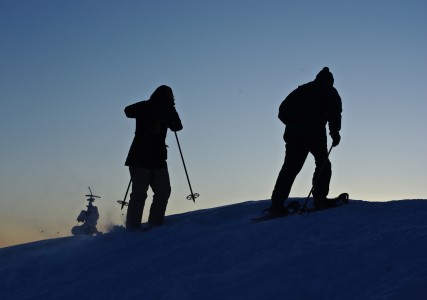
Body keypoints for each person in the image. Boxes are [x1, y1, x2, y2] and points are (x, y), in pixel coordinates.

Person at [270, 67, 342, 216]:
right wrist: (335, 133)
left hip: (294, 135)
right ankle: (320, 199)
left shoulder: (301, 90)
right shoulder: (329, 91)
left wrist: (294, 124)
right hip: (314, 134)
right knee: (323, 164)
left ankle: (277, 204)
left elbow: (282, 111)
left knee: (290, 168)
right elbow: (334, 113)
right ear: (330, 81)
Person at [124, 85, 183, 230]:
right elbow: (128, 111)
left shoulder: (162, 110)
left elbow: (177, 126)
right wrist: (155, 107)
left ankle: (144, 226)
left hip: (150, 158)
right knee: (155, 192)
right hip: (144, 158)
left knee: (148, 193)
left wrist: (169, 109)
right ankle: (144, 227)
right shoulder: (149, 107)